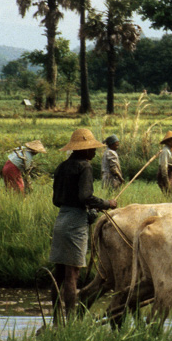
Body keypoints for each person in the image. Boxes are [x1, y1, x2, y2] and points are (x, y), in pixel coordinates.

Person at [50, 128, 117, 323]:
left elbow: (56, 200)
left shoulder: (62, 167)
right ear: (84, 150)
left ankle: (56, 320)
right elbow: (85, 196)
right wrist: (107, 203)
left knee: (59, 273)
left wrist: (85, 212)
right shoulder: (85, 167)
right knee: (73, 273)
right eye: (92, 149)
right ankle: (71, 322)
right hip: (74, 224)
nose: (94, 152)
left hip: (61, 220)